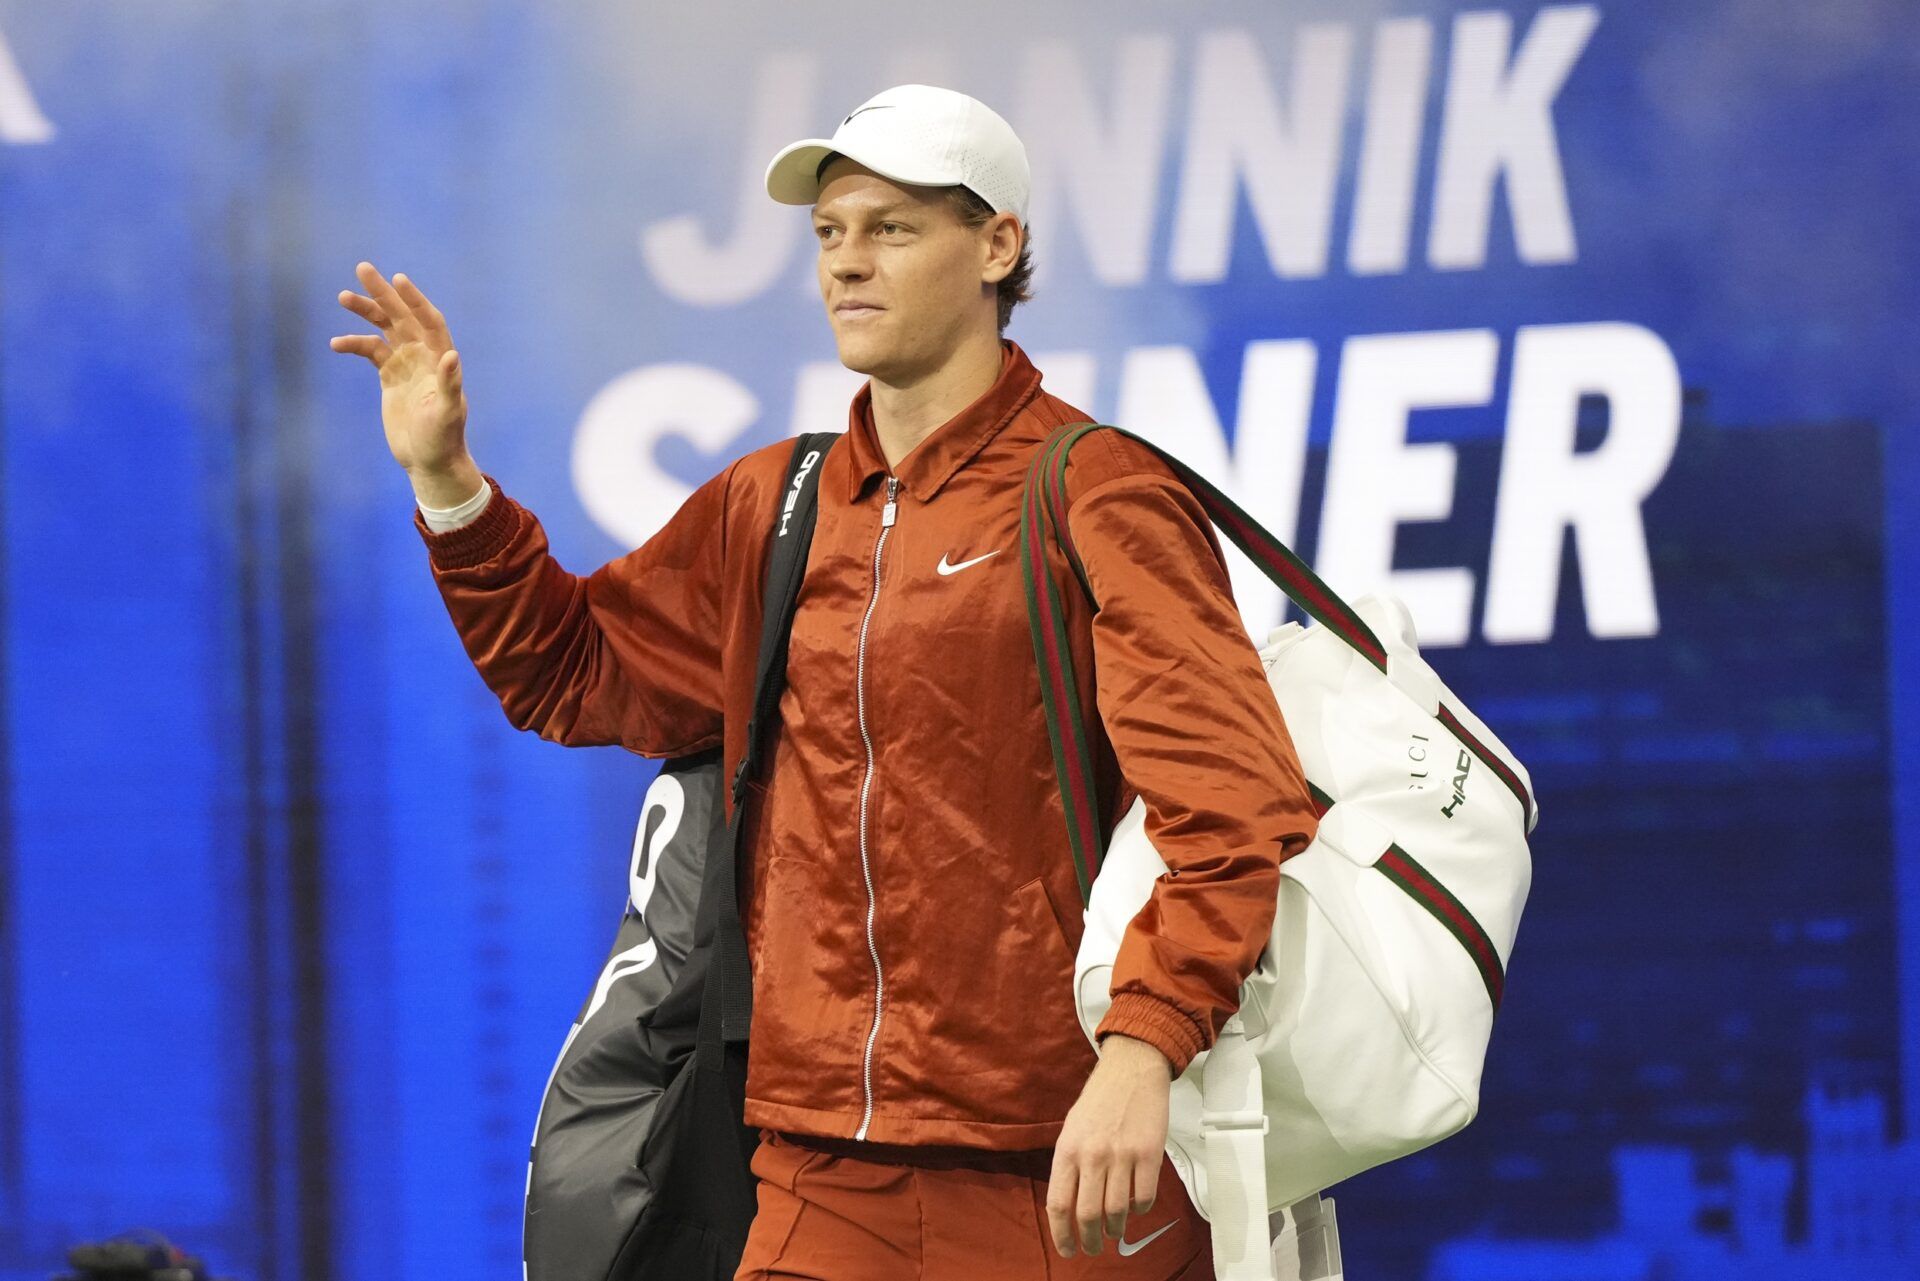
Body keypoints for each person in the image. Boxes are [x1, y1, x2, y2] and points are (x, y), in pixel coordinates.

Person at [329, 83, 1319, 1281]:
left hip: (1067, 1169)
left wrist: (1142, 1051)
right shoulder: (774, 503)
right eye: (829, 232)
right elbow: (572, 673)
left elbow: (1233, 808)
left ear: (997, 246)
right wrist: (447, 482)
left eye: (892, 229)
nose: (847, 262)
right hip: (815, 1171)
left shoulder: (1095, 490)